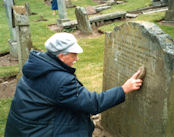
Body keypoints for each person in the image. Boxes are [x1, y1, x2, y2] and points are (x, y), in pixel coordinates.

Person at [4, 33, 143, 137]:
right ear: (61, 56)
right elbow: (93, 104)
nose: (77, 58)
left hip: (23, 129)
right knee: (82, 126)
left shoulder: (37, 67)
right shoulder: (60, 81)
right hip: (37, 132)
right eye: (73, 55)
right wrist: (124, 89)